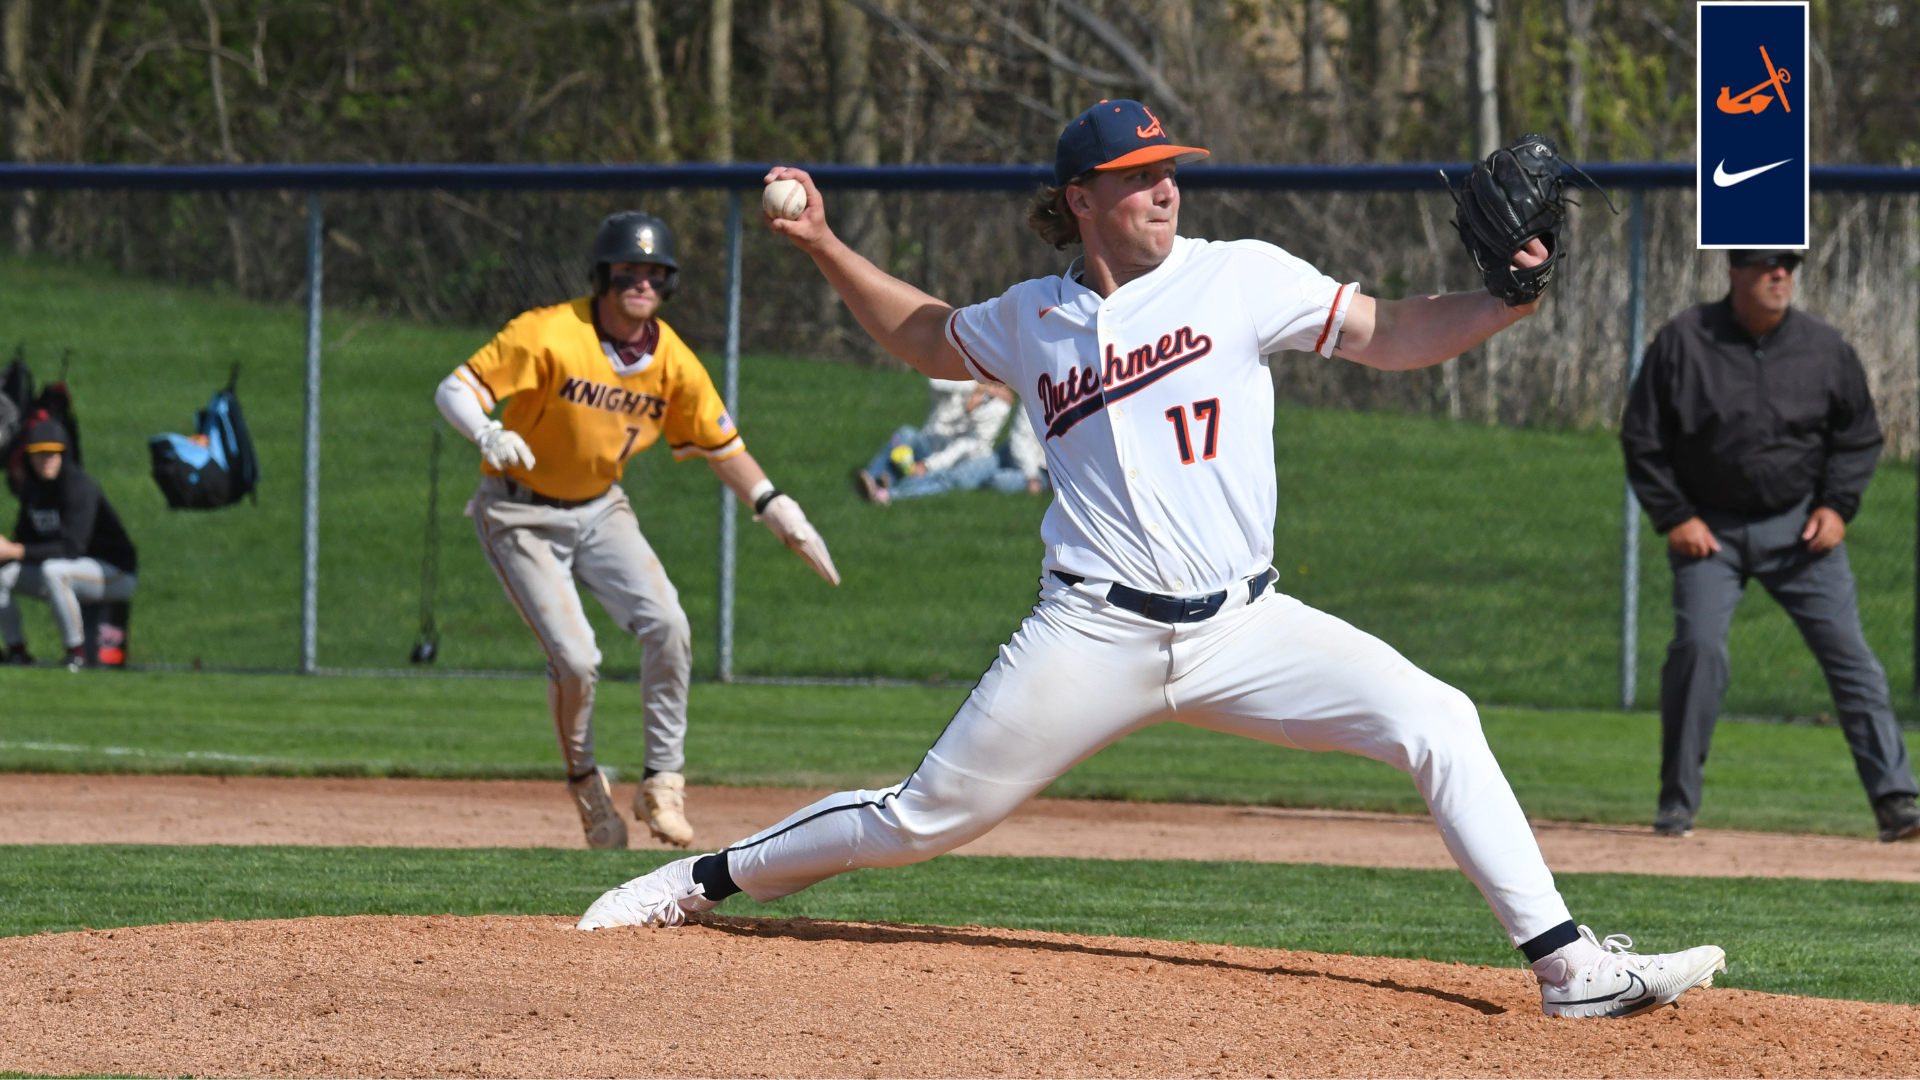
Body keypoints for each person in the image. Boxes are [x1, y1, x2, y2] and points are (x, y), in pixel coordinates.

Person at [578, 101, 1726, 1019]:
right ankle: (695, 881)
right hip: (1093, 631)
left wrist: (1507, 299)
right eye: (1137, 174)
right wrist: (825, 241)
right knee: (923, 817)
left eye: (1169, 167)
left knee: (1439, 718)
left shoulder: (1239, 275)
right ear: (1083, 199)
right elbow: (922, 333)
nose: (1164, 185)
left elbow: (1391, 333)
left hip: (1246, 627)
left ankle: (1567, 965)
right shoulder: (1034, 317)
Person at [433, 211, 841, 851]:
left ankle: (662, 784)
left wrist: (774, 505)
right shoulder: (547, 333)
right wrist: (486, 431)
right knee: (576, 659)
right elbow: (454, 388)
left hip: (599, 507)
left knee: (670, 625)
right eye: (629, 270)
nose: (641, 282)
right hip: (519, 511)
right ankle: (587, 788)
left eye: (655, 273)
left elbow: (720, 444)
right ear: (603, 276)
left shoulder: (672, 358)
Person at [1621, 248, 1920, 843]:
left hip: (1799, 532)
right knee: (1699, 649)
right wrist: (1675, 515)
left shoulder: (1823, 347)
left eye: (1788, 265)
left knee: (1852, 659)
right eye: (1766, 265)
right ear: (1734, 272)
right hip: (1711, 533)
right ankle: (1676, 806)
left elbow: (1858, 437)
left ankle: (1897, 803)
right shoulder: (1685, 340)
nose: (1780, 274)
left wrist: (1837, 506)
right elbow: (1642, 436)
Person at [0, 417, 138, 671]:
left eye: (53, 453)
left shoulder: (79, 486)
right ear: (29, 457)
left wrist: (15, 550)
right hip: (71, 570)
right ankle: (16, 650)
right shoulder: (32, 491)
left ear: (64, 454)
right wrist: (7, 552)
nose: (47, 459)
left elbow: (72, 548)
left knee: (55, 571)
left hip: (115, 572)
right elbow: (26, 544)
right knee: (3, 576)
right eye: (40, 454)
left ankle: (76, 653)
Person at [856, 377, 1012, 504]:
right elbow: (935, 381)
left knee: (941, 478)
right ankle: (872, 479)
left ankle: (888, 495)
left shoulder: (999, 407)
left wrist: (928, 464)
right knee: (905, 434)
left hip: (954, 459)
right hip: (929, 440)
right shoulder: (961, 380)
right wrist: (976, 387)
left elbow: (965, 447)